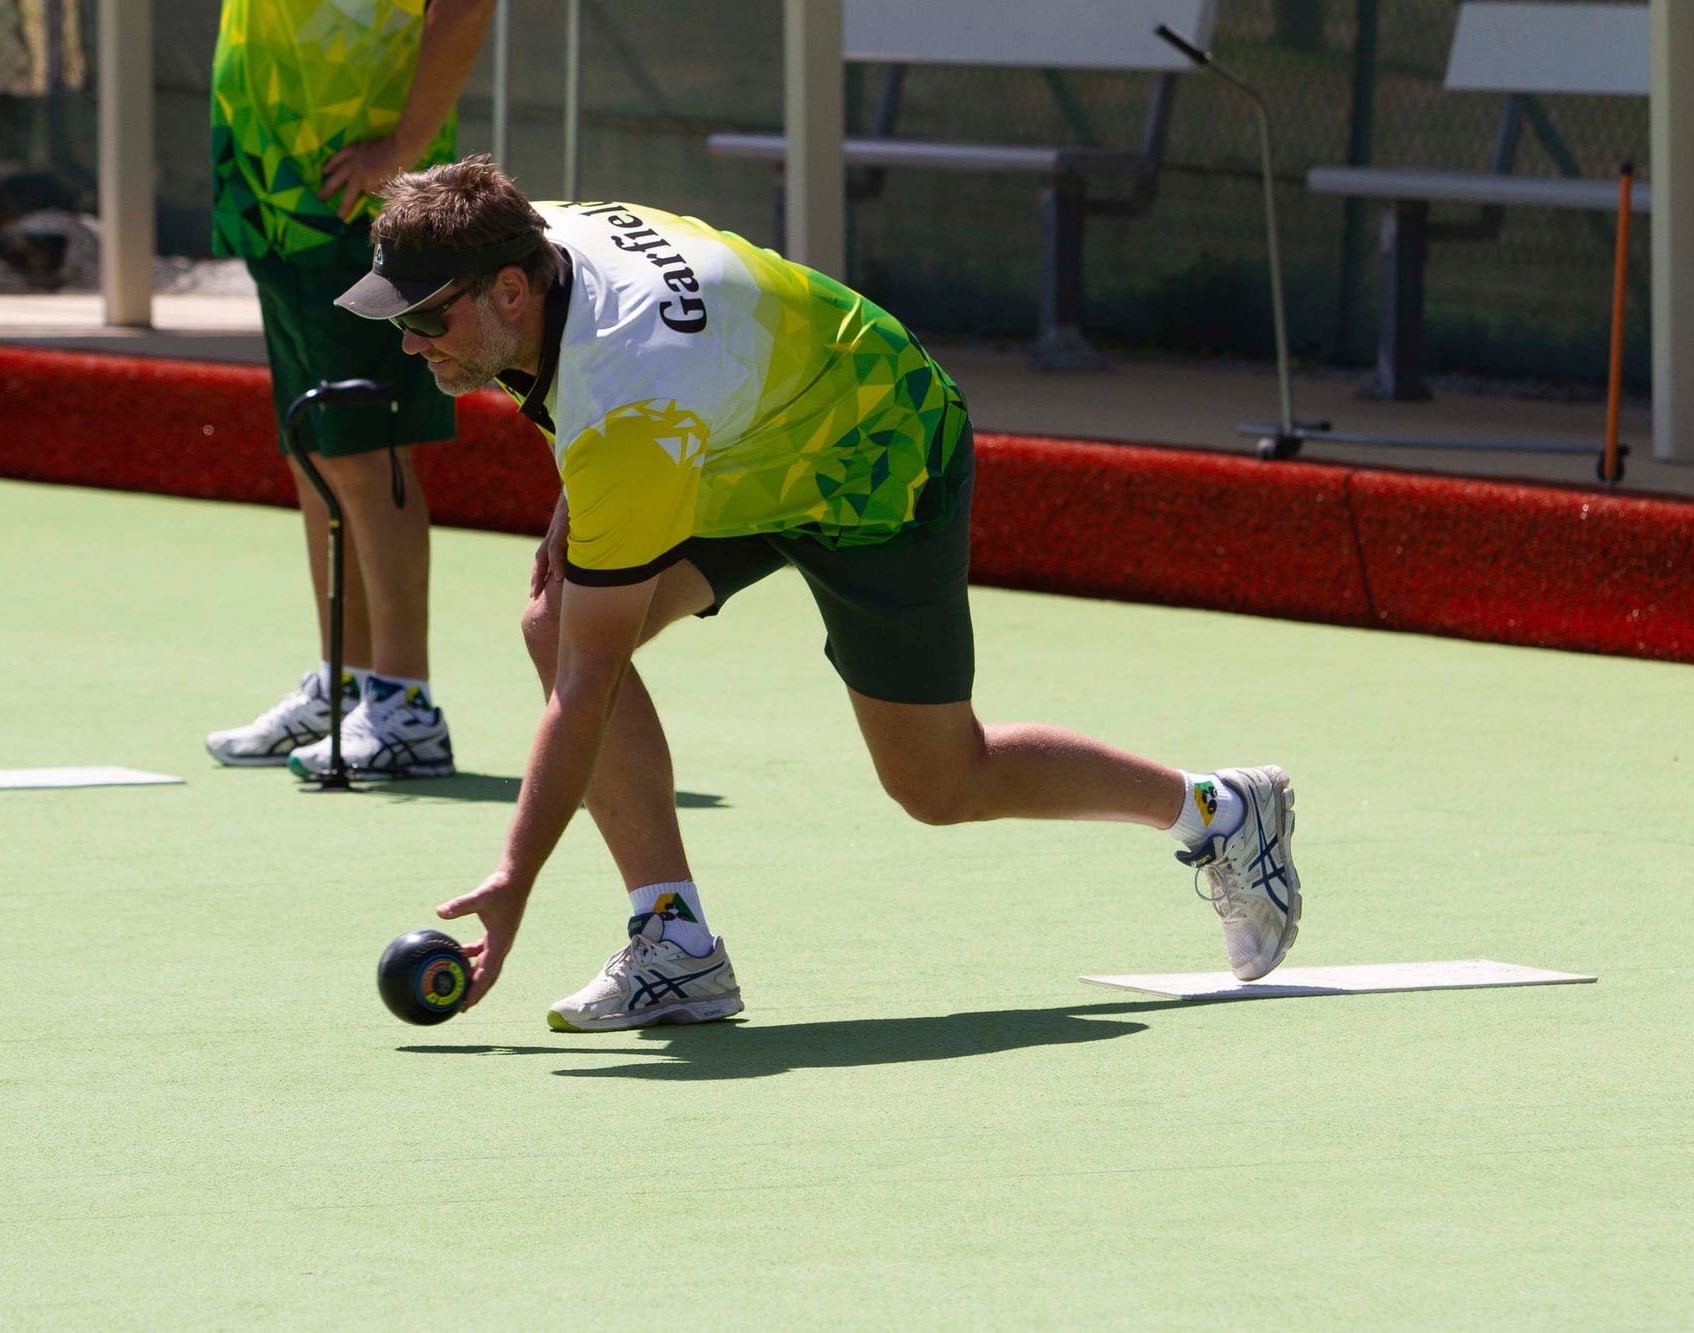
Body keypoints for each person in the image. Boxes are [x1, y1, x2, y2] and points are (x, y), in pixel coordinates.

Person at [336, 156, 1303, 1029]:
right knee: (555, 622)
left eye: (426, 319)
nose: (411, 343)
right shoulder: (522, 244)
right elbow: (593, 386)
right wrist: (576, 491)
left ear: (510, 286)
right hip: (739, 437)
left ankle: (1219, 811)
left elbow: (587, 686)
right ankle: (674, 943)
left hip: (874, 455)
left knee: (939, 782)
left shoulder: (630, 402)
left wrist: (514, 878)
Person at [203, 0, 494, 780]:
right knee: (317, 449)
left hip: (358, 200)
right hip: (273, 189)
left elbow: (465, 9)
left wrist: (402, 147)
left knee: (366, 448)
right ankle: (350, 683)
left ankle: (404, 706)